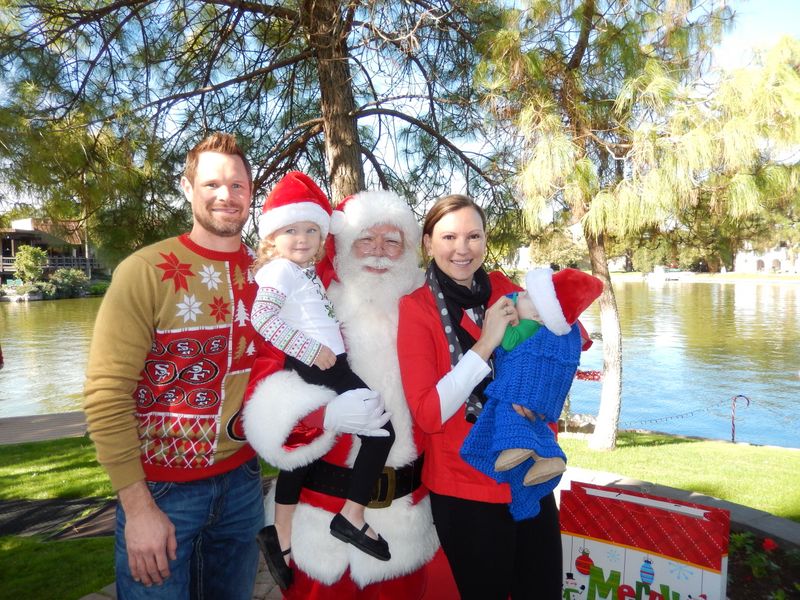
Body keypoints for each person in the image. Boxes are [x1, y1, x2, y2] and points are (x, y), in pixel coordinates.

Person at [243, 190, 456, 599]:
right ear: (342, 245)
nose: (379, 251)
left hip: (406, 517)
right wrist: (323, 417)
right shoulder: (313, 297)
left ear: (410, 248)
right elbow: (264, 386)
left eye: (392, 240)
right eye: (366, 239)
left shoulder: (429, 308)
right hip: (320, 518)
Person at [83, 132, 266, 598]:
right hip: (162, 493)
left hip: (244, 484)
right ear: (188, 189)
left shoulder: (270, 274)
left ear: (251, 192)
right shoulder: (146, 271)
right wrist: (137, 506)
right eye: (211, 184)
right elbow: (106, 394)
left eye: (238, 185)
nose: (226, 195)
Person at [397, 194, 563, 600]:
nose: (462, 249)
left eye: (473, 236)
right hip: (464, 486)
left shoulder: (508, 292)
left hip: (527, 474)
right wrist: (486, 342)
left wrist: (537, 396)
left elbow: (559, 353)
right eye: (449, 236)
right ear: (427, 242)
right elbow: (428, 413)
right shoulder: (415, 309)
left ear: (486, 240)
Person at [250, 172, 395, 589]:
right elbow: (263, 318)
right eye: (291, 229)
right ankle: (351, 516)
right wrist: (308, 350)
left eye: (312, 230)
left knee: (308, 450)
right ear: (272, 238)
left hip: (327, 363)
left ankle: (279, 533)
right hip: (320, 365)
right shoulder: (280, 271)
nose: (302, 238)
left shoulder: (304, 273)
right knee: (381, 432)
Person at [460, 267, 603, 521]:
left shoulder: (526, 318)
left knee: (510, 410)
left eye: (524, 296)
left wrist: (502, 325)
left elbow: (507, 340)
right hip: (466, 487)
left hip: (516, 389)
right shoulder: (527, 307)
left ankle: (515, 446)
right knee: (524, 418)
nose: (517, 296)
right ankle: (549, 457)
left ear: (539, 314)